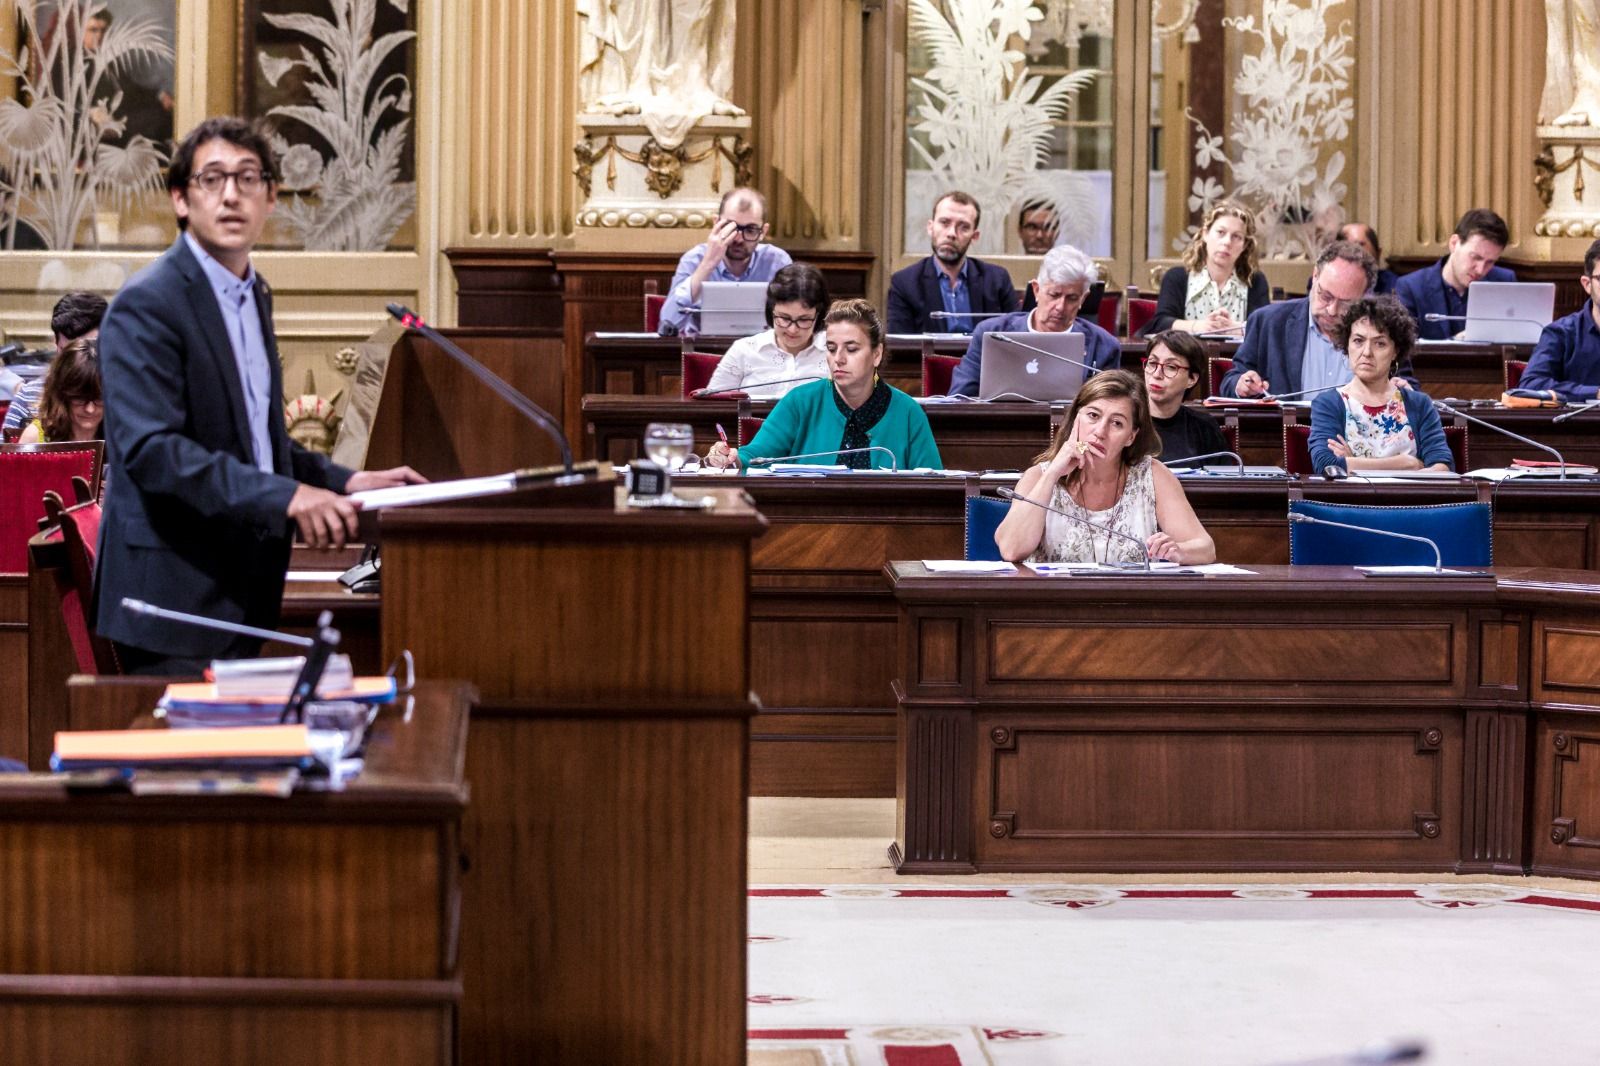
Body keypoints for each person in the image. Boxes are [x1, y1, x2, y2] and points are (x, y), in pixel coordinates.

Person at [94, 116, 424, 675]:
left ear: (271, 197)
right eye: (212, 179)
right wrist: (286, 498)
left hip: (240, 591)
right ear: (180, 199)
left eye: (248, 178)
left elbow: (258, 444)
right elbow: (153, 452)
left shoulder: (253, 293)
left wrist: (345, 480)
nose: (231, 195)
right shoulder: (148, 303)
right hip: (173, 599)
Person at [993, 370, 1215, 565]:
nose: (1100, 431)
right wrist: (1053, 473)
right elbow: (1011, 550)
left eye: (1116, 423)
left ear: (1131, 436)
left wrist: (1179, 551)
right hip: (1056, 606)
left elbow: (1205, 548)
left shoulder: (1153, 476)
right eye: (1093, 416)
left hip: (1131, 606)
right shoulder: (1038, 477)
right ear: (1075, 418)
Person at [703, 299, 940, 471]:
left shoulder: (908, 412)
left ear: (877, 354)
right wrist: (730, 457)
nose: (839, 358)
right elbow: (755, 456)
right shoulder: (800, 402)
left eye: (852, 349)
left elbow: (933, 483)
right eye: (832, 348)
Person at [1220, 240, 1416, 398]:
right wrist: (1242, 384)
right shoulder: (1269, 323)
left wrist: (1404, 390)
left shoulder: (1384, 330)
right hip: (1284, 438)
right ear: (1315, 276)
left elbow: (1406, 384)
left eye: (1346, 304)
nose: (1332, 310)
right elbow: (1231, 381)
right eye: (1325, 296)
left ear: (1366, 296)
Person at [950, 244, 1121, 397]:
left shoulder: (1103, 346)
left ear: (1083, 299)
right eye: (1054, 295)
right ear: (1036, 290)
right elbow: (959, 397)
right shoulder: (992, 333)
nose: (1060, 306)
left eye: (1072, 298)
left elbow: (1109, 407)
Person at [1309, 297, 1454, 474]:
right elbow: (1326, 465)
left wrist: (1354, 462)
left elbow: (1443, 466)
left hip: (1410, 501)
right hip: (1352, 501)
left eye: (1380, 343)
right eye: (1358, 341)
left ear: (1395, 351)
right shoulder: (1328, 403)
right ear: (1347, 345)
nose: (1367, 352)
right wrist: (1407, 463)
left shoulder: (1419, 403)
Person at [658, 186, 792, 336]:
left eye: (750, 230)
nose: (738, 238)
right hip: (705, 352)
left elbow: (793, 324)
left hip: (760, 354)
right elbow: (668, 324)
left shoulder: (777, 262)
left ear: (763, 232)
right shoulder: (695, 259)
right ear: (716, 223)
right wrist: (707, 264)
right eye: (730, 227)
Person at [886, 191, 1019, 334]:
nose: (951, 233)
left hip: (983, 356)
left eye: (963, 227)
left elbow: (1017, 333)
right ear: (931, 227)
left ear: (975, 236)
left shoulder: (997, 280)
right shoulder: (904, 283)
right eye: (944, 223)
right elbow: (899, 346)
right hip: (929, 357)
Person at [702, 263, 830, 398]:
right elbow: (715, 405)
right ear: (771, 311)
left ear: (819, 315)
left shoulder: (836, 350)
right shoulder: (744, 349)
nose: (792, 329)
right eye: (784, 318)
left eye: (804, 320)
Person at [1143, 201, 1270, 336]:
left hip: (1237, 357)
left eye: (1236, 236)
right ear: (1205, 234)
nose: (1227, 242)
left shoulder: (1255, 281)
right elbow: (1161, 323)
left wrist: (1233, 328)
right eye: (1221, 232)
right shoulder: (1177, 277)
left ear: (1244, 245)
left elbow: (1265, 327)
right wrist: (1201, 326)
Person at [1395, 208, 1517, 341]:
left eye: (1490, 262)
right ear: (1454, 243)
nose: (1480, 270)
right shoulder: (1411, 287)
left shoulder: (1504, 282)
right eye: (1475, 257)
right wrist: (1454, 342)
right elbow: (1405, 351)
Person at [3, 291, 107, 437]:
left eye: (90, 353)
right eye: (67, 355)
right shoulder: (29, 396)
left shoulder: (126, 399)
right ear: (55, 343)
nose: (76, 365)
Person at [1520, 237, 1600, 402]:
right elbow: (1531, 384)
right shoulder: (1561, 333)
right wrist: (1595, 393)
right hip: (1576, 425)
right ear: (1587, 284)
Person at [1142, 331, 1229, 464]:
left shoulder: (1204, 427)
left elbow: (1220, 482)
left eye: (1171, 367)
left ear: (1192, 379)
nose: (1157, 374)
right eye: (1152, 363)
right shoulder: (1127, 421)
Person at [18, 337, 101, 444]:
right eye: (80, 398)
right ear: (61, 394)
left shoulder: (122, 437)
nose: (90, 409)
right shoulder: (34, 437)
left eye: (100, 399)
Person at [1337, 222, 1399, 295]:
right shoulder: (1328, 284)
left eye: (1360, 246)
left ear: (1378, 254)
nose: (1353, 254)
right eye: (1347, 247)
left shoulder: (1393, 285)